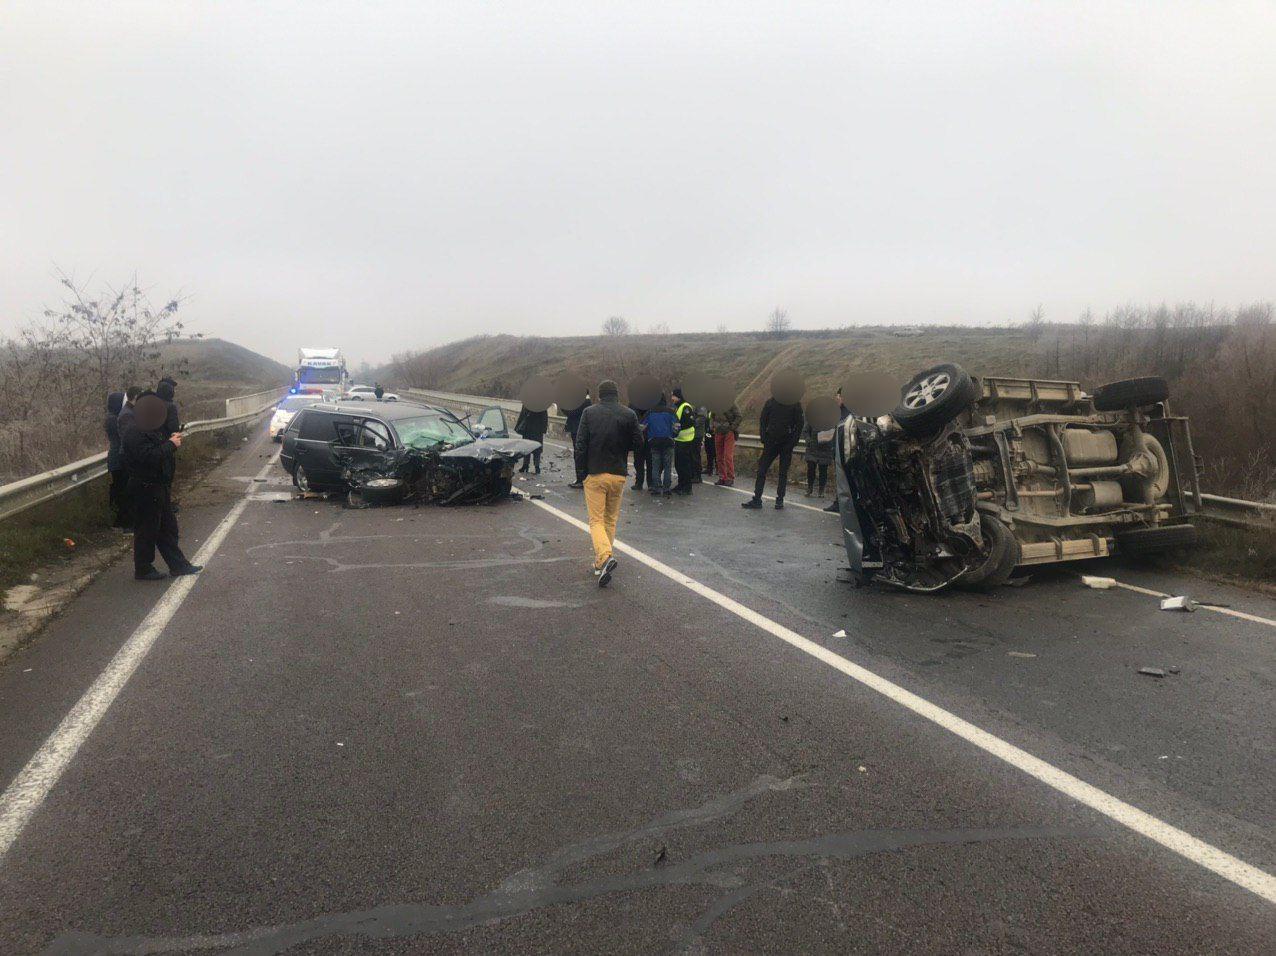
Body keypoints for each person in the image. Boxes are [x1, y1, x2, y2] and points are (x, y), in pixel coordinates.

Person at [122, 392, 202, 581]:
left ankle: (178, 565)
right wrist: (171, 445)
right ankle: (143, 568)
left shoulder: (148, 427)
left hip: (158, 486)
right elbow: (149, 456)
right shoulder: (133, 430)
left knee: (167, 527)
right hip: (145, 487)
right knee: (147, 530)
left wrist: (170, 439)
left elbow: (158, 447)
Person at [574, 380, 643, 587]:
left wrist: (581, 474)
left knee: (596, 521)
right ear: (616, 394)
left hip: (595, 474)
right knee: (610, 520)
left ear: (600, 395)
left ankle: (604, 557)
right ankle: (600, 563)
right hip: (618, 474)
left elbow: (580, 445)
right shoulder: (629, 414)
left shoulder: (589, 413)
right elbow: (639, 443)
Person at [742, 393, 804, 510]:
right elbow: (763, 420)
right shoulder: (771, 402)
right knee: (761, 470)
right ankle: (757, 499)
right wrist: (764, 437)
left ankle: (780, 500)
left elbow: (799, 425)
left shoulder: (795, 404)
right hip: (771, 442)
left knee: (782, 473)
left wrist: (791, 443)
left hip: (786, 444)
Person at [642, 395, 677, 496]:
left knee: (655, 465)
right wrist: (673, 436)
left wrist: (648, 437)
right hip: (668, 441)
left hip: (654, 441)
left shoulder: (650, 412)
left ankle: (656, 487)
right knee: (667, 466)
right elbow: (677, 426)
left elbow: (642, 427)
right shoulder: (670, 412)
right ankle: (666, 488)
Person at [105, 391, 130, 529]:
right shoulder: (115, 420)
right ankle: (124, 522)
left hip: (115, 458)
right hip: (119, 459)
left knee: (119, 489)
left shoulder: (111, 417)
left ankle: (119, 521)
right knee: (123, 490)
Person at [670, 387, 697, 495]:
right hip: (679, 439)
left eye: (673, 396)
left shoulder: (686, 407)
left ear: (678, 396)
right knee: (678, 464)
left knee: (684, 464)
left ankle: (687, 487)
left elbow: (689, 423)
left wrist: (677, 429)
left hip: (686, 440)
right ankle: (681, 484)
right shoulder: (678, 406)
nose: (672, 398)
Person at [564, 391, 590, 488]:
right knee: (582, 454)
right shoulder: (587, 402)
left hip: (578, 430)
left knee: (579, 454)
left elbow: (571, 412)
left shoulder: (583, 402)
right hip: (580, 430)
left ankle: (581, 479)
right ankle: (583, 478)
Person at [514, 403, 548, 473]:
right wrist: (543, 429)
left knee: (529, 447)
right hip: (535, 429)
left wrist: (518, 426)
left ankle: (528, 465)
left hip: (530, 428)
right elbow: (544, 417)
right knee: (534, 448)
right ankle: (535, 466)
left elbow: (522, 415)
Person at [803, 418, 834, 497]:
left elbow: (834, 432)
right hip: (812, 448)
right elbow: (806, 430)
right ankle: (810, 487)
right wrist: (808, 440)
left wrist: (829, 440)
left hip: (825, 449)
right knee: (811, 468)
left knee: (823, 470)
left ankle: (821, 490)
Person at [713, 403, 741, 487]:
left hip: (728, 432)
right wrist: (713, 426)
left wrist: (732, 428)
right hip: (718, 432)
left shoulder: (731, 404)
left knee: (727, 456)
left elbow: (739, 416)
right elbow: (712, 417)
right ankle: (722, 477)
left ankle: (730, 478)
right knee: (719, 456)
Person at [628, 396, 653, 491]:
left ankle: (643, 483)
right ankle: (644, 483)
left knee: (643, 461)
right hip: (642, 437)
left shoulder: (633, 405)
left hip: (645, 436)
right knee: (641, 461)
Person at [701, 406, 717, 478]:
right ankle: (709, 468)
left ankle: (717, 469)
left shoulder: (715, 410)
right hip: (708, 433)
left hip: (714, 433)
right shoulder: (707, 411)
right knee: (708, 450)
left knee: (714, 451)